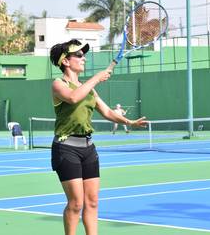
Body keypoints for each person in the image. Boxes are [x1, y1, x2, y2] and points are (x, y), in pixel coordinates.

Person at [49, 39, 147, 235]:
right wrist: (97, 77)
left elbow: (108, 112)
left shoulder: (89, 88)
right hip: (66, 148)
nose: (83, 58)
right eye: (78, 55)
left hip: (88, 149)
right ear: (66, 61)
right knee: (76, 203)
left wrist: (129, 122)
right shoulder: (58, 84)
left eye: (83, 54)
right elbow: (73, 97)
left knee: (92, 202)